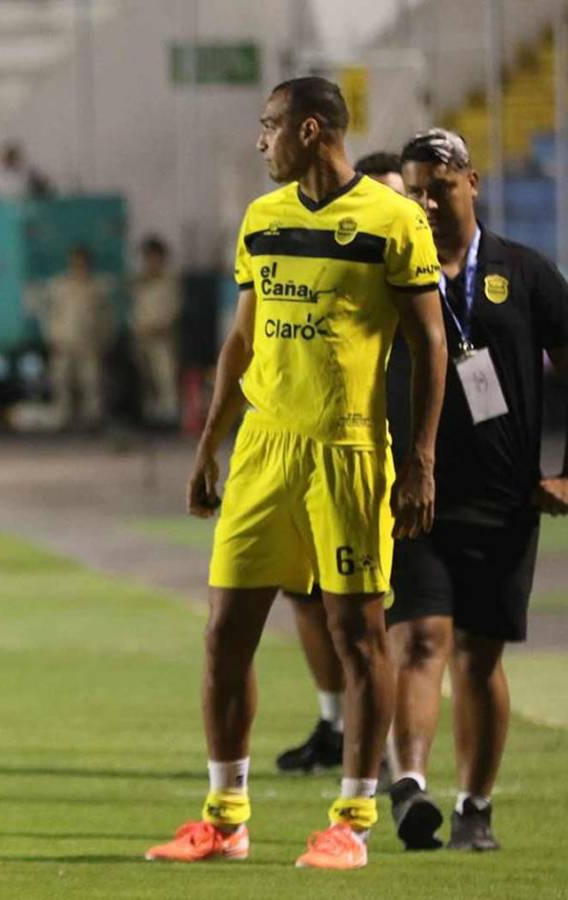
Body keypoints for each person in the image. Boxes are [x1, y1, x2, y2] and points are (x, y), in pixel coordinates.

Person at [144, 77, 447, 870]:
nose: (260, 141)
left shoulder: (393, 222)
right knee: (224, 636)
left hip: (347, 452)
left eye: (269, 126)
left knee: (358, 635)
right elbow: (242, 342)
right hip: (263, 450)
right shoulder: (262, 219)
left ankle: (351, 820)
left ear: (311, 131)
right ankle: (226, 816)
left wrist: (419, 460)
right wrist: (210, 443)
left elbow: (429, 344)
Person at [385, 128, 568, 852]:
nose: (428, 201)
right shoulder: (395, 275)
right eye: (417, 189)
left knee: (480, 657)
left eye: (441, 185)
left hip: (505, 497)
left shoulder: (523, 273)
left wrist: (566, 473)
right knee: (422, 639)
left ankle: (475, 807)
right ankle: (412, 791)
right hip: (413, 495)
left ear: (475, 182)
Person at [275, 150, 408, 776]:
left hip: (388, 461)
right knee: (306, 596)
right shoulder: (341, 263)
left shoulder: (422, 276)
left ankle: (395, 759)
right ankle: (336, 724)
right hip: (325, 453)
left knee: (385, 618)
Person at [40, 244, 113, 429]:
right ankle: (63, 418)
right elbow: (49, 314)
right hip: (64, 342)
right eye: (75, 262)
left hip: (89, 343)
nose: (78, 266)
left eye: (82, 262)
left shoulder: (97, 288)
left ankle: (93, 418)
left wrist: (105, 341)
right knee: (61, 381)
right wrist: (51, 337)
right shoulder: (59, 286)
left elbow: (106, 318)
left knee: (91, 382)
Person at [130, 235, 182, 425]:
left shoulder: (169, 281)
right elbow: (134, 310)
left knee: (164, 375)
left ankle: (169, 415)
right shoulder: (138, 283)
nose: (151, 261)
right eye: (147, 257)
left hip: (162, 337)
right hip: (142, 337)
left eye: (154, 257)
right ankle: (150, 415)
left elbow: (173, 309)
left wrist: (160, 327)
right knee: (146, 378)